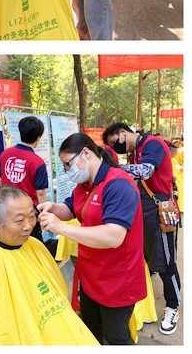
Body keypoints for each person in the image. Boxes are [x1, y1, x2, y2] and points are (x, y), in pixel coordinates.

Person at [37, 133, 146, 344]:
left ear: (86, 153)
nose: (67, 170)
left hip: (117, 280)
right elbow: (71, 209)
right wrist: (53, 208)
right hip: (91, 276)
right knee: (90, 330)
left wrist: (61, 228)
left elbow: (113, 236)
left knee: (116, 337)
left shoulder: (118, 184)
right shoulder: (84, 184)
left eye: (68, 164)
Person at [0, 186, 97, 345]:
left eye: (32, 216)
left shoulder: (35, 245)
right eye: (19, 220)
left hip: (61, 323)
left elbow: (58, 288)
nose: (28, 226)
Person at [103, 123, 181, 335]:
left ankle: (173, 305)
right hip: (143, 210)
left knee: (166, 261)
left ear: (123, 132)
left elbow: (146, 171)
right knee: (146, 258)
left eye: (114, 142)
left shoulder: (152, 143)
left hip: (160, 209)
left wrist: (113, 169)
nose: (116, 147)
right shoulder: (134, 153)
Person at [0, 116, 49, 221]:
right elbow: (40, 192)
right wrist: (43, 214)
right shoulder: (38, 162)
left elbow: (1, 179)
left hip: (8, 207)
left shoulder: (5, 154)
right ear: (38, 138)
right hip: (28, 211)